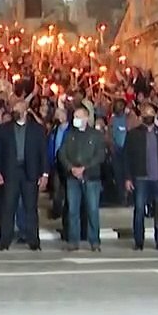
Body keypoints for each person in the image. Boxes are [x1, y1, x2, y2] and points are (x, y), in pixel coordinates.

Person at [0, 100, 49, 251]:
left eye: (17, 109)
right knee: (8, 207)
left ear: (25, 110)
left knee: (30, 208)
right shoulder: (4, 129)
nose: (14, 111)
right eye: (13, 109)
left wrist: (44, 174)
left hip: (30, 173)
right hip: (11, 172)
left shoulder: (37, 129)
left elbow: (43, 153)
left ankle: (33, 241)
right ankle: (4, 241)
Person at [125, 103, 158, 251]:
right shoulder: (133, 135)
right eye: (145, 113)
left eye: (150, 113)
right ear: (141, 116)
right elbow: (127, 158)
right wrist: (128, 178)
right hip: (140, 178)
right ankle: (138, 241)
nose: (148, 116)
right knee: (139, 209)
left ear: (155, 115)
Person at [58, 106, 107, 252]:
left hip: (91, 178)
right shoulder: (69, 134)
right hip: (72, 178)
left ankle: (94, 241)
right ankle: (73, 241)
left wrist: (84, 168)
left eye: (79, 117)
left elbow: (100, 155)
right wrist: (71, 168)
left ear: (86, 118)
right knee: (73, 210)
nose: (76, 120)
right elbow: (62, 153)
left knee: (92, 210)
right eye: (75, 116)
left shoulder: (96, 135)